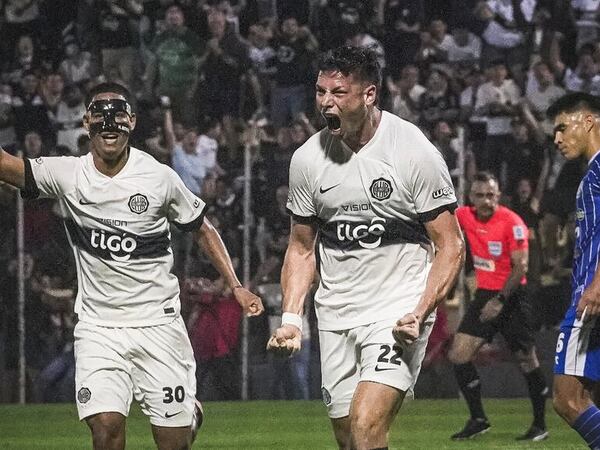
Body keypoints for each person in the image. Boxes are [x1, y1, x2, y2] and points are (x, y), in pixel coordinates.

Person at [0, 82, 264, 450]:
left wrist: (235, 286)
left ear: (132, 122)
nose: (109, 128)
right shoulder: (68, 174)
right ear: (86, 122)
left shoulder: (158, 177)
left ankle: (188, 417)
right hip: (99, 327)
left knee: (173, 442)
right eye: (101, 119)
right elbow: (6, 166)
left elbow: (203, 228)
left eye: (118, 119)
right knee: (105, 429)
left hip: (158, 325)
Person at [266, 45, 465, 450]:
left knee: (366, 425)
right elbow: (301, 248)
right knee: (348, 437)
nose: (326, 102)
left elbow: (450, 244)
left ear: (369, 94)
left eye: (338, 92)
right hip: (336, 313)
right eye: (321, 91)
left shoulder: (412, 151)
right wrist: (291, 318)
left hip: (397, 311)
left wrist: (420, 311)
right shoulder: (307, 160)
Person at [448, 171, 549, 442]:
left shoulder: (512, 222)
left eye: (491, 195)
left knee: (527, 359)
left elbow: (521, 267)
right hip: (485, 294)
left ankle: (540, 425)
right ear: (471, 197)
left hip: (512, 296)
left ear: (499, 196)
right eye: (480, 195)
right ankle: (478, 419)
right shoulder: (464, 216)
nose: (486, 201)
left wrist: (499, 301)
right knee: (458, 354)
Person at [549, 92, 600, 449]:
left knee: (568, 399)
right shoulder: (589, 174)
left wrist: (596, 285)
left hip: (591, 299)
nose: (557, 138)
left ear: (589, 121)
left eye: (563, 127)